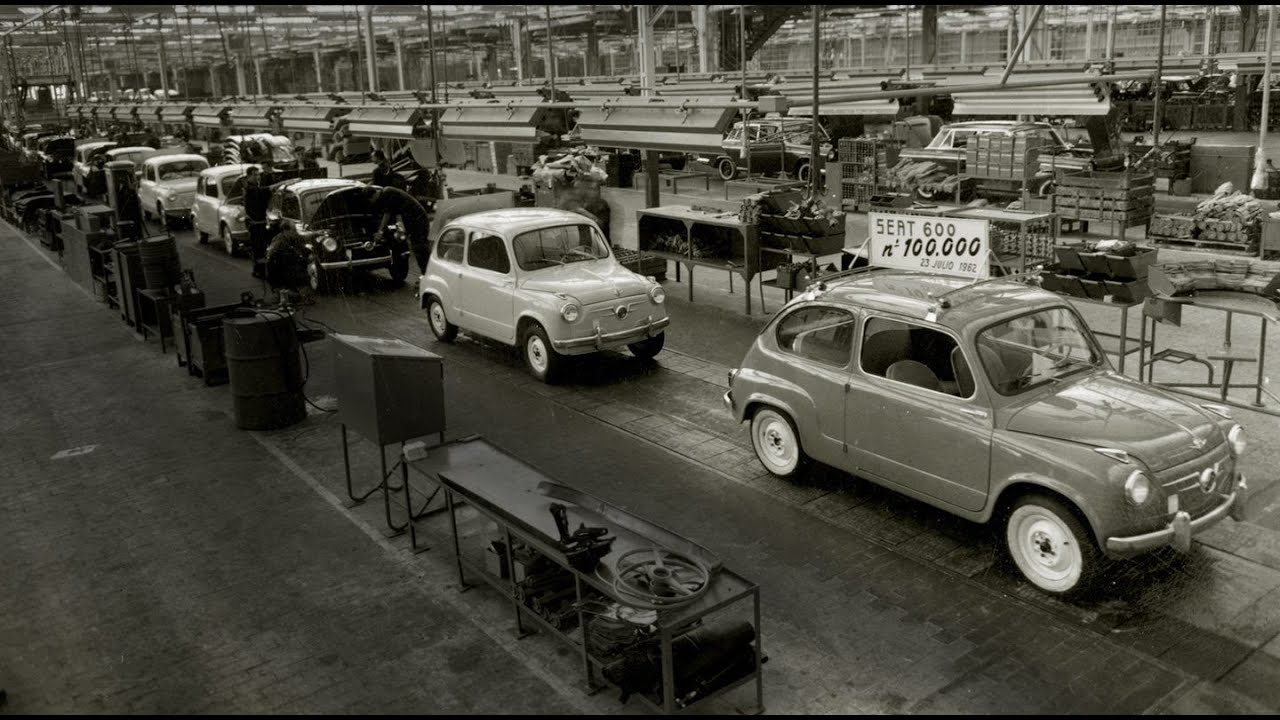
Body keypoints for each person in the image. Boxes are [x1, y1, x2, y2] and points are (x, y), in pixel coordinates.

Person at [242, 166, 272, 279]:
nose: (258, 177)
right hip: (255, 222)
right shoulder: (249, 188)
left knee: (262, 246)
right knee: (257, 247)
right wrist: (272, 187)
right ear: (249, 176)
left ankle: (260, 269)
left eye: (259, 175)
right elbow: (260, 192)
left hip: (260, 221)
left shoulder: (254, 186)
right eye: (255, 175)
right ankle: (258, 270)